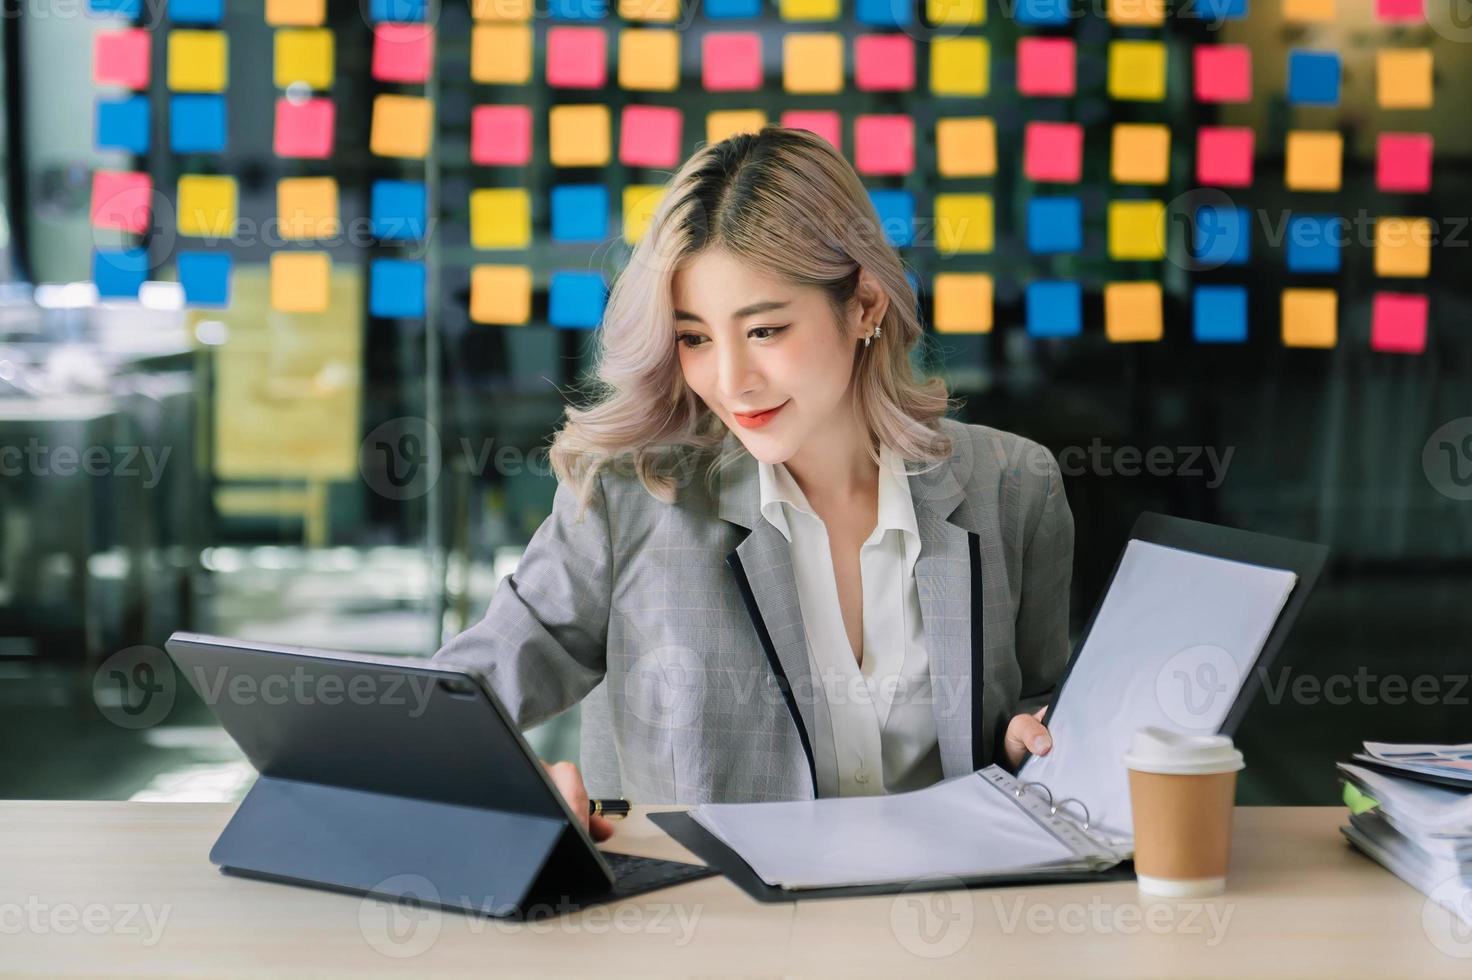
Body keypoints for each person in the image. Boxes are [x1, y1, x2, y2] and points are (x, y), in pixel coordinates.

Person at [433, 126, 1073, 842]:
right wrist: (511, 785)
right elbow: (454, 703)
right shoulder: (630, 498)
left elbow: (1049, 718)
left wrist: (1033, 747)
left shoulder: (1014, 487)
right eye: (696, 337)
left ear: (864, 306)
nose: (731, 382)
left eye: (764, 330)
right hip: (708, 939)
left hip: (953, 933)